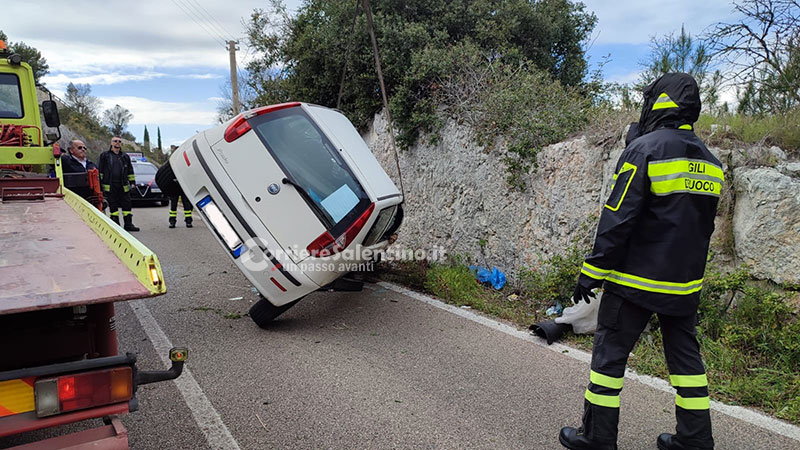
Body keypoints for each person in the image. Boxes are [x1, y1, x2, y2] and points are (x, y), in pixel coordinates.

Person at [559, 73, 720, 450]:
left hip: (634, 282)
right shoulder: (711, 163)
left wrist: (591, 272)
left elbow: (618, 218)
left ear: (658, 103)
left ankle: (598, 437)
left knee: (609, 358)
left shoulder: (644, 149)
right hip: (683, 286)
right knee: (687, 364)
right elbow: (702, 228)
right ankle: (695, 440)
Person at [97, 136, 139, 232]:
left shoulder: (125, 156)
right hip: (110, 186)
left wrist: (132, 183)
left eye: (119, 141)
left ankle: (128, 224)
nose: (117, 143)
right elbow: (100, 171)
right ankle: (116, 225)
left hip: (123, 186)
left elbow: (130, 171)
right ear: (111, 143)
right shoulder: (105, 156)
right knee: (113, 206)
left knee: (127, 205)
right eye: (115, 141)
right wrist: (100, 185)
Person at [154, 160, 192, 228]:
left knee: (186, 204)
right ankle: (173, 221)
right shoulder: (172, 165)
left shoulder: (178, 165)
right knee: (174, 205)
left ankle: (187, 221)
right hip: (174, 187)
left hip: (182, 187)